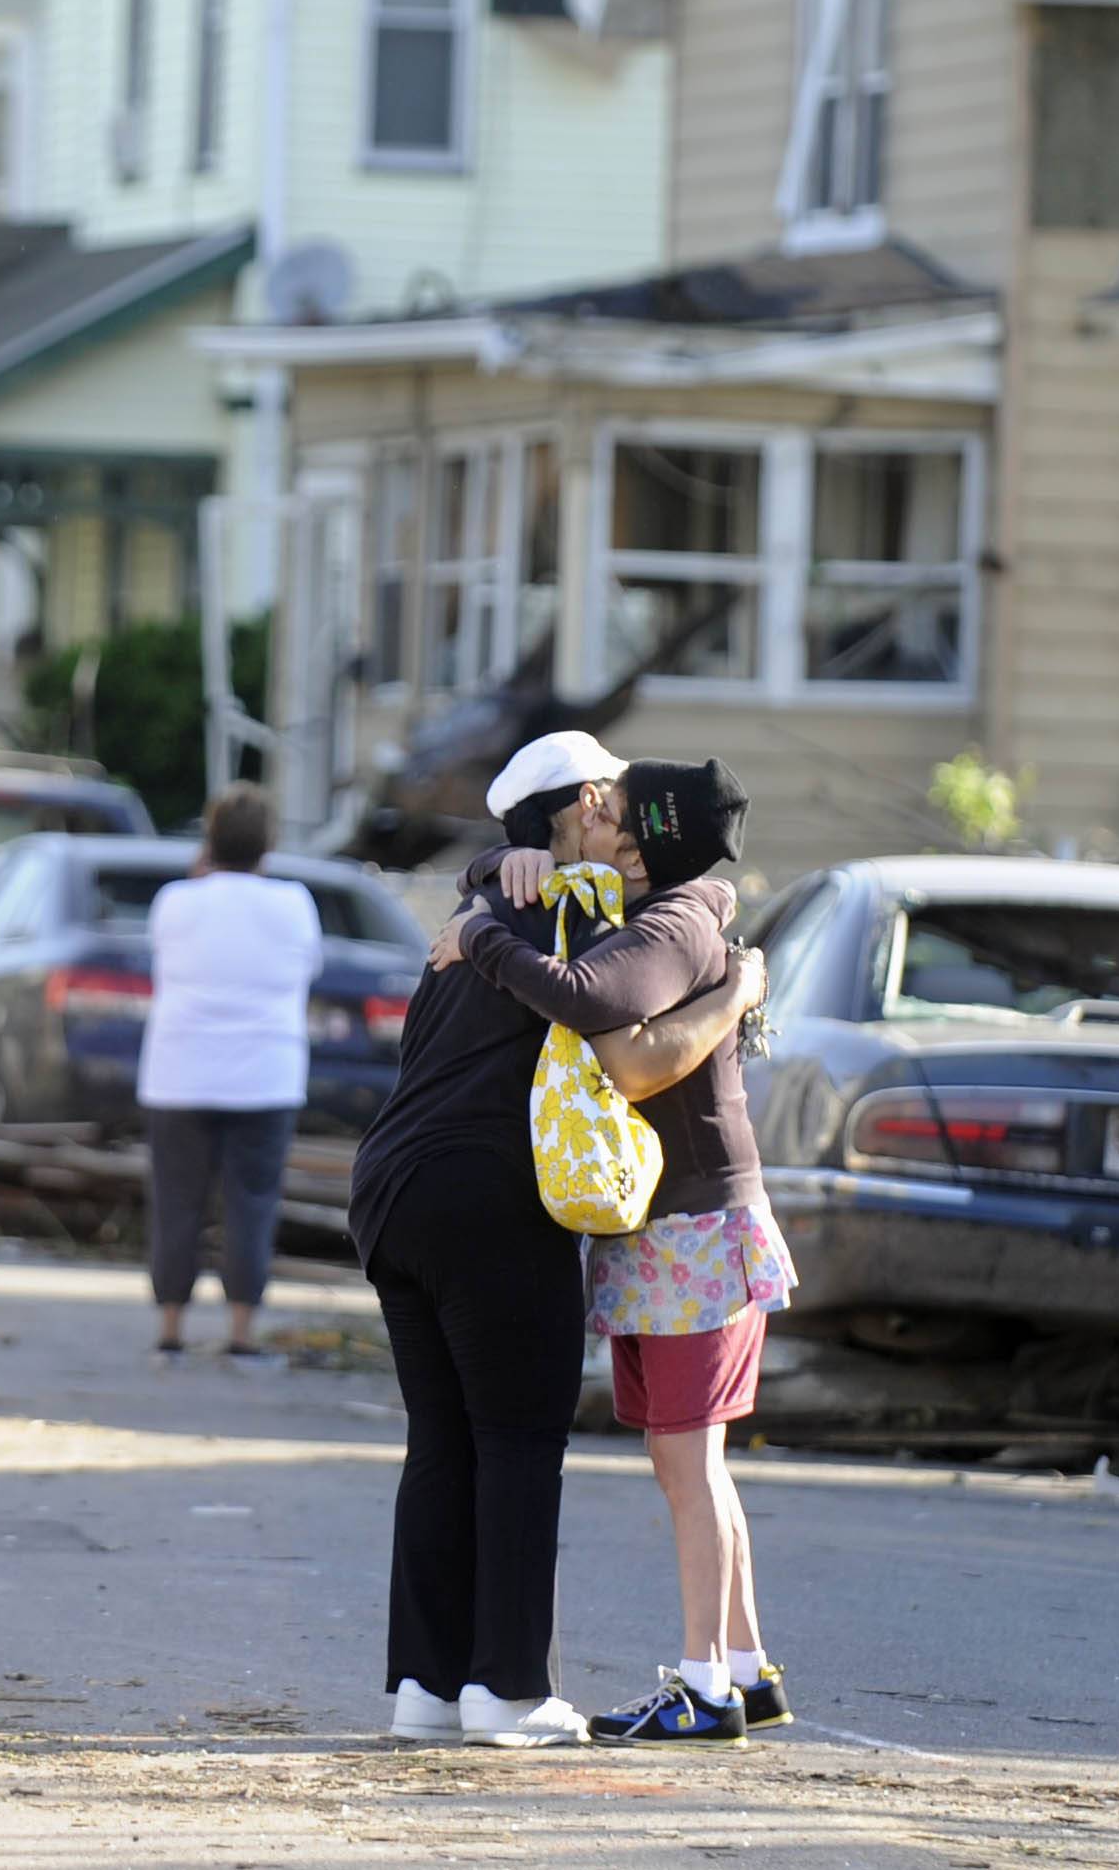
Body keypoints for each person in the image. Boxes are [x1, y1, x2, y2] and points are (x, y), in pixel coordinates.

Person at [345, 735, 762, 1749]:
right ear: (584, 802)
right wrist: (733, 964)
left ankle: (424, 1687)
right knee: (520, 1443)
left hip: (389, 1188)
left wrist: (488, 871)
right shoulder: (587, 909)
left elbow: (490, 899)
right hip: (489, 1199)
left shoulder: (476, 911)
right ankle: (509, 1693)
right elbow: (662, 946)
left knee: (439, 1443)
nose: (620, 825)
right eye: (612, 804)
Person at [138, 782, 326, 1362]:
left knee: (176, 1202)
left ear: (208, 838)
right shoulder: (294, 902)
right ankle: (242, 1332)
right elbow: (311, 968)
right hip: (265, 1076)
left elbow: (160, 957)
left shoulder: (175, 900)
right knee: (251, 1202)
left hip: (177, 1073)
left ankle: (171, 1327)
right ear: (268, 844)